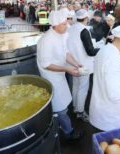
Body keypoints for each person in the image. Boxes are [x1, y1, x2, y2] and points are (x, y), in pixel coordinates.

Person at [37, 9, 83, 141]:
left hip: (60, 75)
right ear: (55, 25)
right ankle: (68, 132)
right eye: (64, 24)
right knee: (60, 107)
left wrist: (76, 64)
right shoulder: (47, 40)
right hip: (51, 77)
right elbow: (46, 64)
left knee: (62, 103)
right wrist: (67, 69)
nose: (67, 26)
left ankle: (61, 126)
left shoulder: (62, 34)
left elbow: (66, 53)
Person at [67, 9, 99, 122]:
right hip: (83, 64)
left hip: (72, 63)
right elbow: (90, 51)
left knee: (76, 86)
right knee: (83, 88)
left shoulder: (71, 28)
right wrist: (101, 49)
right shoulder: (84, 30)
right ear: (86, 19)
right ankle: (80, 112)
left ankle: (75, 107)